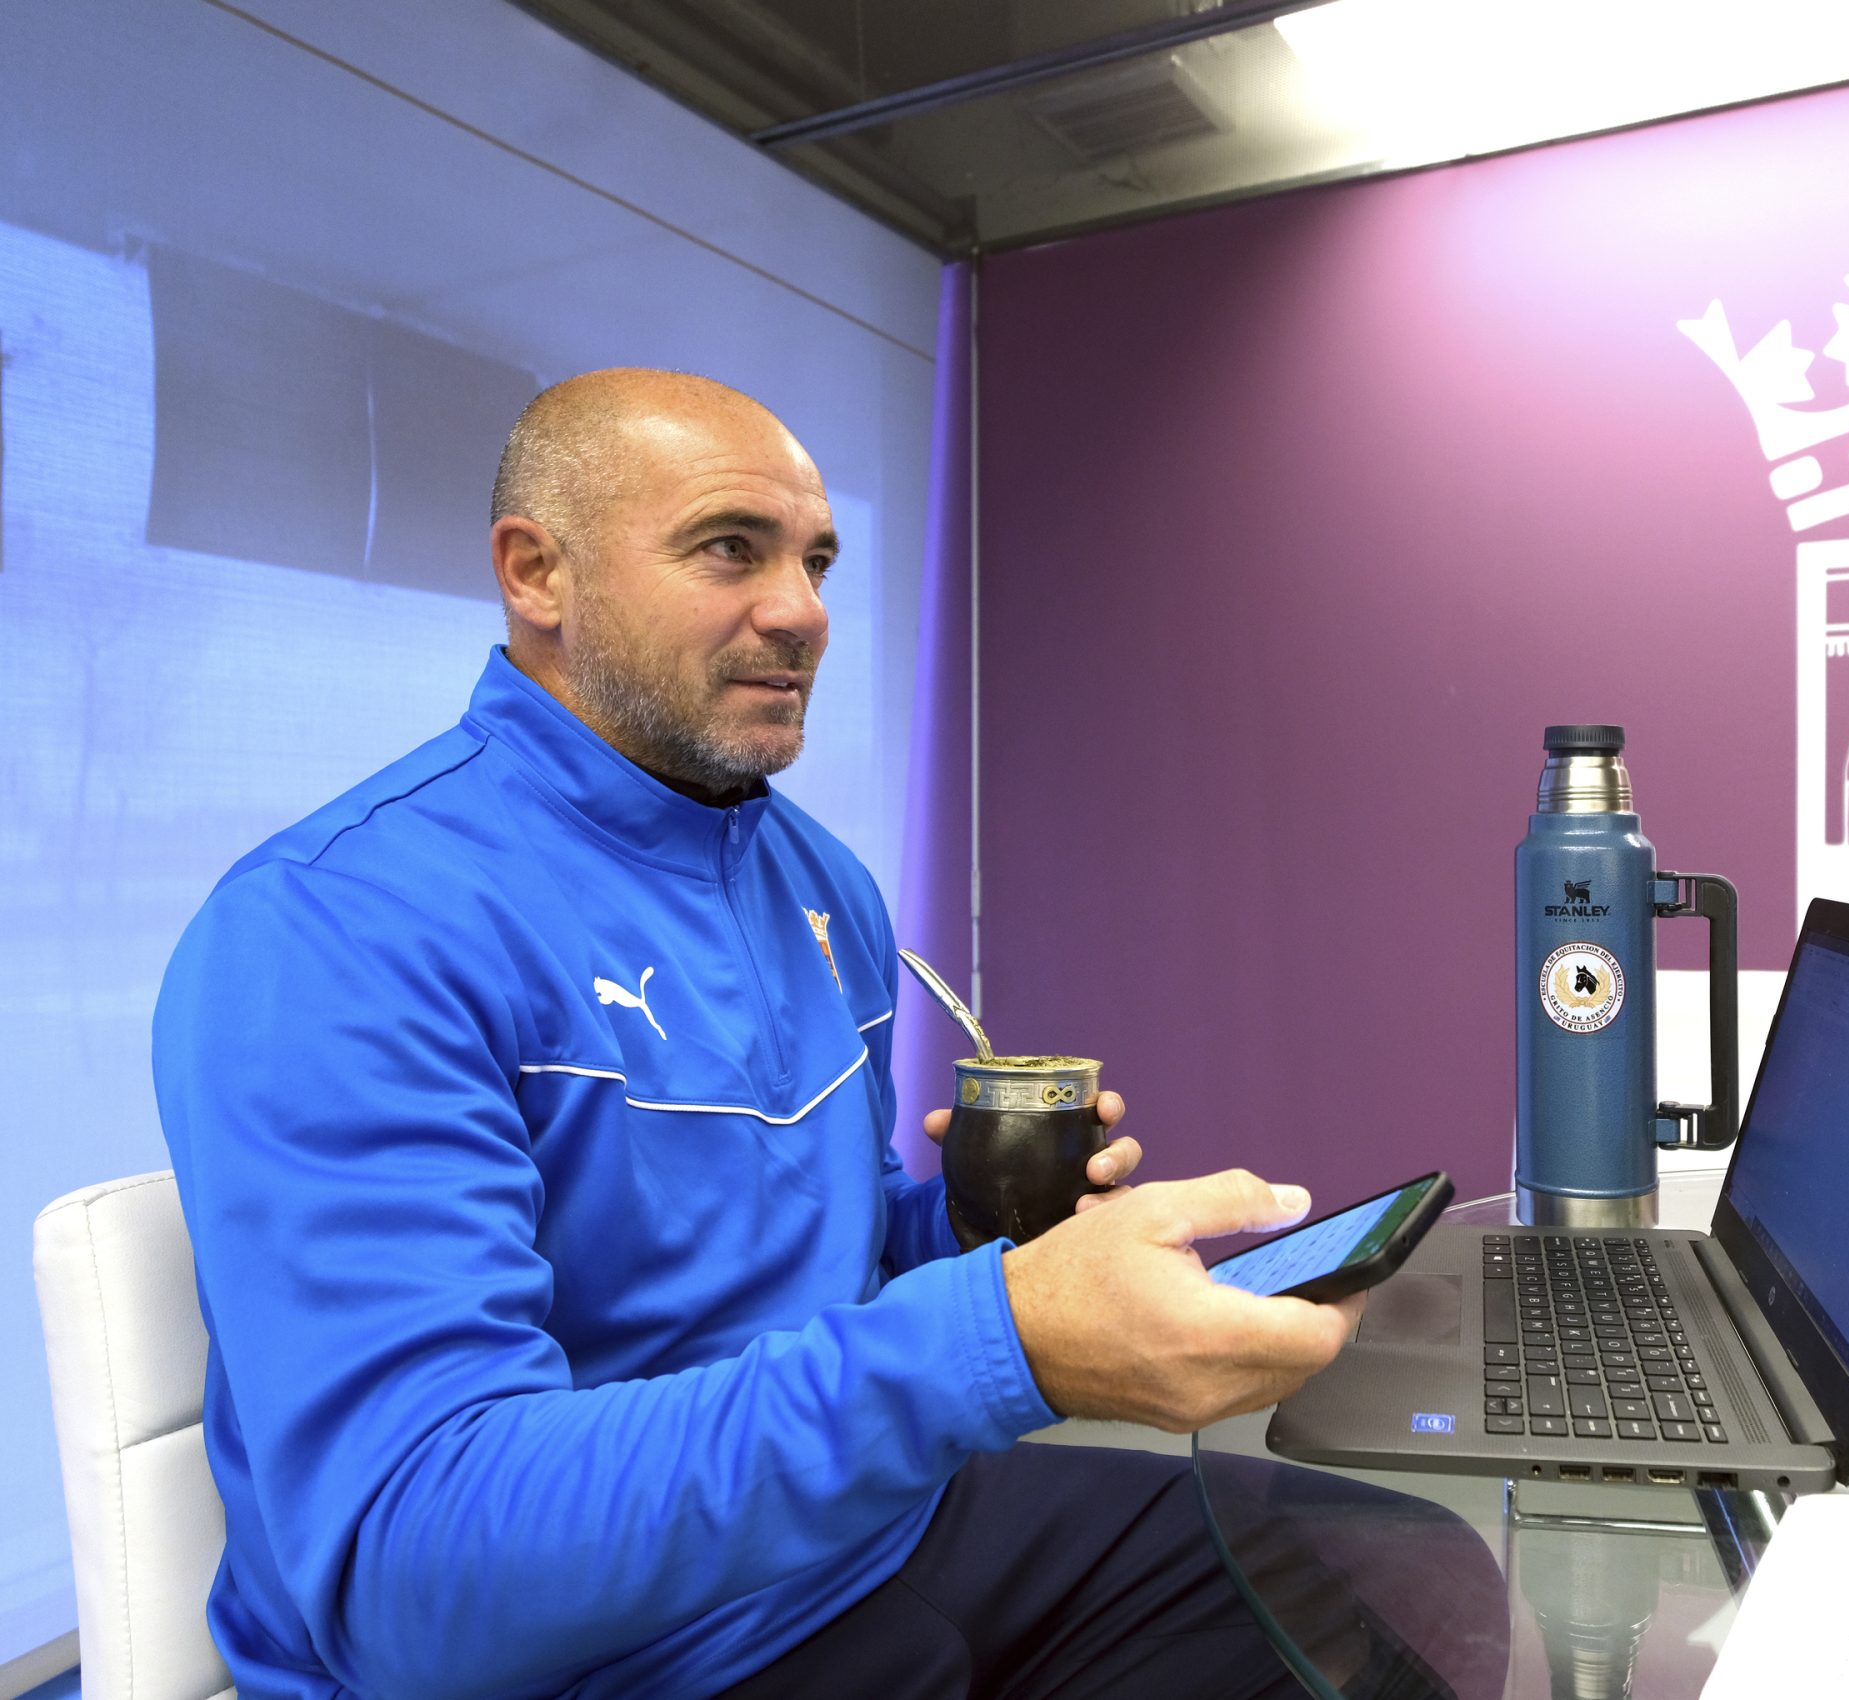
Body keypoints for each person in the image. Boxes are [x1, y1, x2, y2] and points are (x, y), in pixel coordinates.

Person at [154, 370, 1481, 1699]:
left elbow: (808, 1279)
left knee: (1397, 1580)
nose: (801, 613)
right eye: (731, 548)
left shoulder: (818, 880)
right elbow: (418, 1576)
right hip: (608, 1656)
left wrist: (957, 1231)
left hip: (859, 1545)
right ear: (535, 572)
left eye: (818, 560)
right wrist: (1000, 1340)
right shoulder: (339, 928)